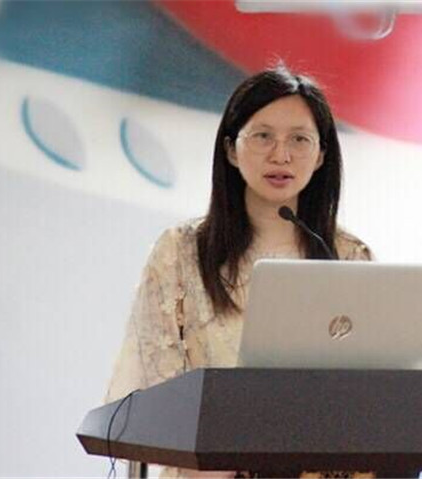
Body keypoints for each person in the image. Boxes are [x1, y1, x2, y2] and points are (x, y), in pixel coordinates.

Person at [105, 65, 374, 479]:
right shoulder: (180, 251)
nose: (281, 155)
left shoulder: (347, 256)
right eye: (263, 136)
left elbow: (365, 393)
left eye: (299, 139)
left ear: (322, 155)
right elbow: (154, 390)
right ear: (231, 149)